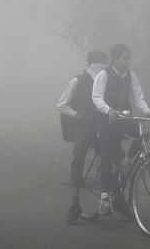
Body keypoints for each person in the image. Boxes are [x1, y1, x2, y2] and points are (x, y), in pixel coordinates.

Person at [92, 44, 150, 217]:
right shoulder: (103, 75)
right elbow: (96, 97)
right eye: (124, 58)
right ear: (114, 59)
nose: (128, 61)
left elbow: (138, 97)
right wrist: (108, 110)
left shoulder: (130, 76)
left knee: (144, 132)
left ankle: (126, 162)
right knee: (106, 157)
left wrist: (148, 112)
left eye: (129, 58)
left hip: (124, 119)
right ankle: (105, 197)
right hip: (107, 121)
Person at [57, 50, 109, 223]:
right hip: (84, 126)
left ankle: (111, 195)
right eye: (101, 62)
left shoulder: (106, 80)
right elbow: (62, 104)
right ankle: (75, 200)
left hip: (102, 124)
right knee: (78, 159)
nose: (103, 66)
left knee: (110, 156)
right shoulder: (78, 80)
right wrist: (77, 115)